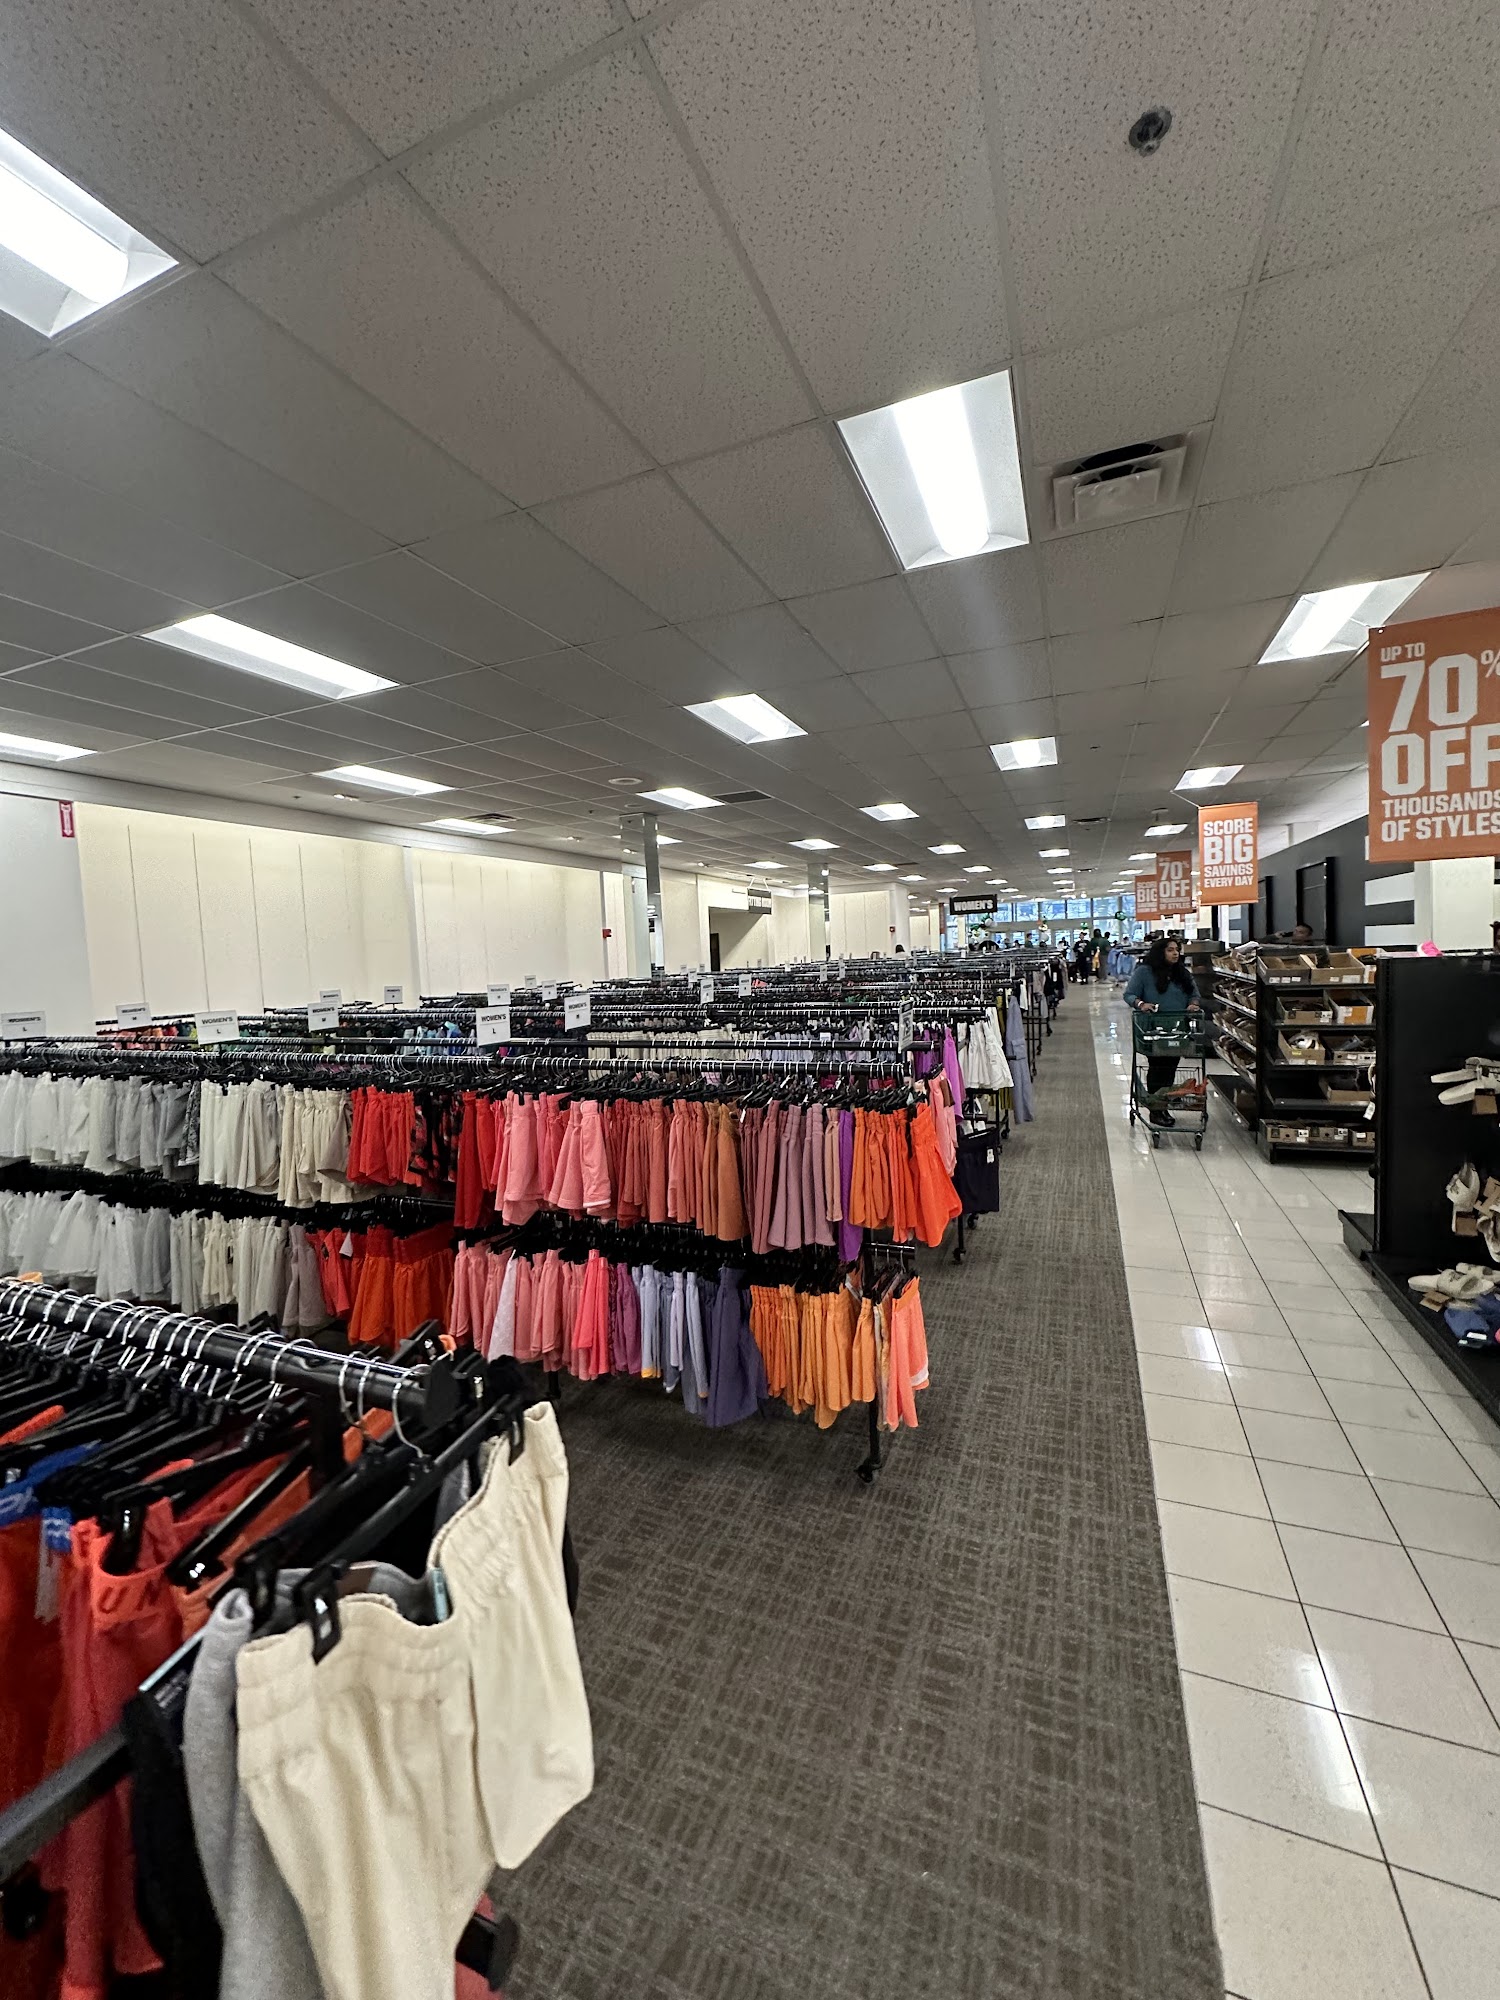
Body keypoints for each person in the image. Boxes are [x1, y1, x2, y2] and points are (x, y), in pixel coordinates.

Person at [1123, 936, 1202, 1127]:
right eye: (1170, 950)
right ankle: (1156, 1110)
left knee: (1170, 1067)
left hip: (1178, 1028)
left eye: (1177, 950)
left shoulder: (1181, 973)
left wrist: (1193, 1004)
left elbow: (1194, 994)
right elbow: (1129, 994)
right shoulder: (1144, 972)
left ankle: (1163, 1104)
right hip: (1153, 1029)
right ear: (1160, 952)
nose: (1175, 953)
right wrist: (1141, 1004)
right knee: (1157, 1067)